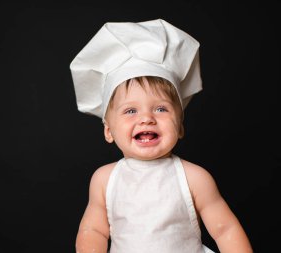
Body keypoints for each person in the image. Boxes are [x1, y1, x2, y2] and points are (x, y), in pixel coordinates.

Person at [70, 19, 253, 253]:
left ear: (180, 127)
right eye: (131, 111)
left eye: (161, 109)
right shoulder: (104, 179)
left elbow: (225, 229)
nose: (146, 118)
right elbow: (93, 230)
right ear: (109, 130)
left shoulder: (195, 177)